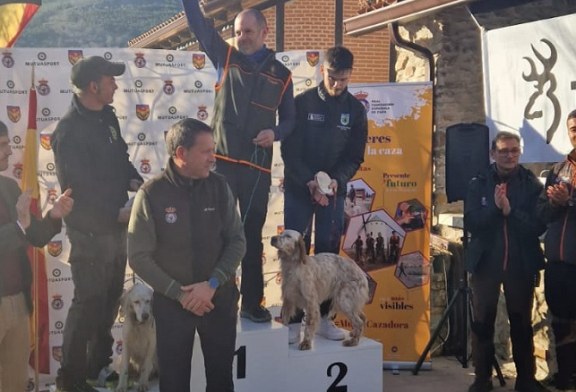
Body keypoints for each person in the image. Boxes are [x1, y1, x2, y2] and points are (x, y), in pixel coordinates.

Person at [181, 0, 295, 323]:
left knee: (249, 235)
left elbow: (290, 121)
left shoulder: (282, 75)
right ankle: (219, 298)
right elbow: (198, 26)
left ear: (263, 31)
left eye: (247, 31)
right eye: (237, 31)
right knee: (217, 233)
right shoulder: (225, 56)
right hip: (222, 164)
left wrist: (273, 132)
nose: (241, 37)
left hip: (257, 168)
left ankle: (252, 304)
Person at [128, 118, 246, 392]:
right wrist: (180, 294)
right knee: (173, 383)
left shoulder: (219, 187)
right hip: (172, 306)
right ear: (182, 153)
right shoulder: (151, 193)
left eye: (213, 150)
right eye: (206, 151)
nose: (212, 158)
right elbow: (138, 256)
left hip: (218, 299)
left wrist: (212, 284)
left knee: (220, 380)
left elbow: (237, 241)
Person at [51, 56, 143, 392]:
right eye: (110, 80)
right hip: (90, 235)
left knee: (108, 303)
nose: (116, 85)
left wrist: (137, 182)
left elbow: (121, 160)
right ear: (93, 86)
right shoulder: (68, 132)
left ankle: (97, 368)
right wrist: (114, 215)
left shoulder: (107, 117)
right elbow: (76, 194)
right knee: (87, 305)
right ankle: (70, 381)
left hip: (117, 233)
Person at [281, 46, 368, 344]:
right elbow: (288, 151)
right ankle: (293, 321)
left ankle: (326, 318)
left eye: (343, 79)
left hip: (332, 192)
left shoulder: (356, 111)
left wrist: (334, 182)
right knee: (295, 253)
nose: (337, 84)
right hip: (299, 187)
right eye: (332, 77)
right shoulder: (302, 103)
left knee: (329, 254)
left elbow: (355, 157)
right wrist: (309, 181)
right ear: (322, 71)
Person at [464, 131, 549, 392]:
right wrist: (495, 208)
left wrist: (510, 212)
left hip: (520, 263)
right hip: (486, 264)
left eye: (514, 150)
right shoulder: (478, 182)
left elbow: (537, 225)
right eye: (503, 151)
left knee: (521, 323)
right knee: (482, 323)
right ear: (493, 153)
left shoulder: (531, 183)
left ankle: (526, 380)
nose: (509, 155)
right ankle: (482, 379)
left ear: (520, 152)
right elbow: (472, 223)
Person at [0, 121, 73, 392]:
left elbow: (33, 236)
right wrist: (19, 225)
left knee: (15, 383)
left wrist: (54, 215)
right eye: (3, 145)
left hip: (17, 304)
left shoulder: (9, 187)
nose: (10, 151)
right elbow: (18, 230)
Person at [536, 109, 576, 391]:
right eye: (572, 128)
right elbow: (540, 214)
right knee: (561, 322)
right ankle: (565, 375)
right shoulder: (557, 170)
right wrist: (554, 204)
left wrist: (571, 201)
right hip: (558, 263)